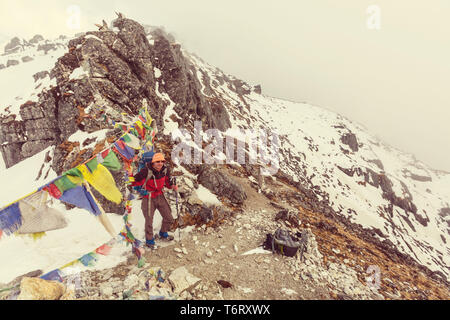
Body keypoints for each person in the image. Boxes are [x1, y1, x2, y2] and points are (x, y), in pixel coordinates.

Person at [131, 152, 178, 248]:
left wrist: (172, 186)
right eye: (157, 161)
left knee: (168, 217)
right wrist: (138, 188)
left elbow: (168, 183)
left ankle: (163, 233)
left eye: (162, 161)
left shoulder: (165, 170)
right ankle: (149, 241)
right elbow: (133, 182)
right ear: (153, 162)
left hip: (160, 195)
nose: (160, 163)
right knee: (149, 220)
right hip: (148, 197)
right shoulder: (145, 171)